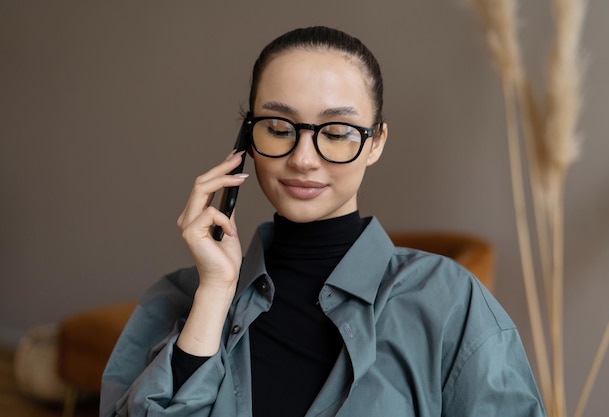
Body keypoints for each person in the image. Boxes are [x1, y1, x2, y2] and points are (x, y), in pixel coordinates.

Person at [100, 26, 546, 417]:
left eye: (336, 133)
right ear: (246, 139)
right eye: (277, 128)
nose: (302, 159)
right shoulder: (177, 301)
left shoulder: (448, 302)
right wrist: (215, 293)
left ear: (376, 143)